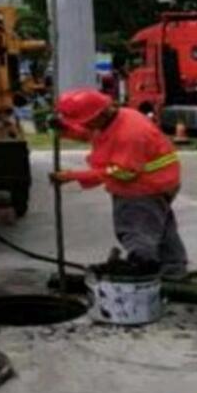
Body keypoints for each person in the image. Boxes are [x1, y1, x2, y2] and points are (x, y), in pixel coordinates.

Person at [49, 88, 188, 278]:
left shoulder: (129, 134)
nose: (85, 125)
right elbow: (91, 133)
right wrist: (66, 129)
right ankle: (173, 270)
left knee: (136, 230)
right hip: (160, 182)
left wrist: (74, 176)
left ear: (99, 113)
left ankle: (143, 268)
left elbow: (123, 172)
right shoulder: (116, 118)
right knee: (159, 228)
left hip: (142, 188)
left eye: (85, 121)